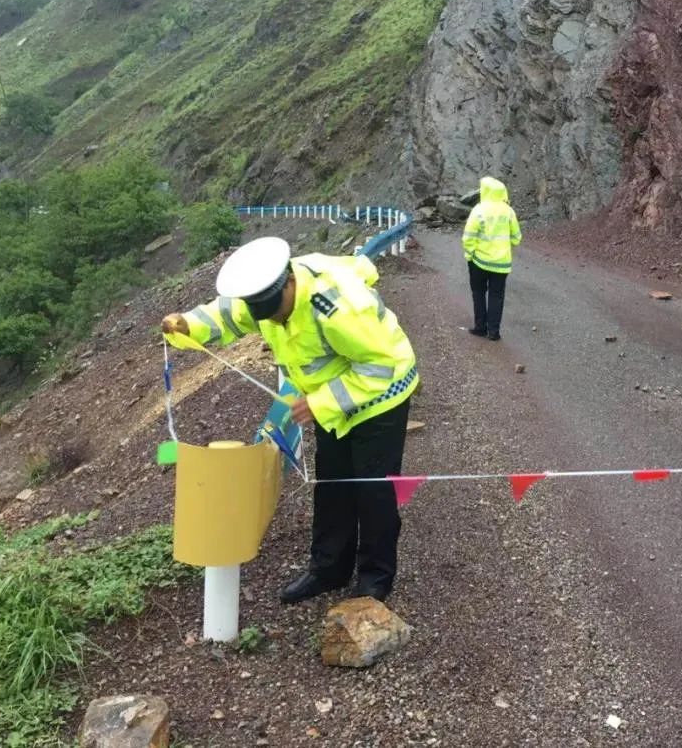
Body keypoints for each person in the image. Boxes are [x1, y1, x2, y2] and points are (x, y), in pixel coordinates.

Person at [161, 237, 418, 604]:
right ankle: (329, 569)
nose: (275, 321)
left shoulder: (338, 306)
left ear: (290, 282)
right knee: (332, 483)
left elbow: (378, 366)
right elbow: (226, 314)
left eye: (278, 312)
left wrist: (321, 403)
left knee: (373, 489)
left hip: (381, 396)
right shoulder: (266, 294)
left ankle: (375, 579)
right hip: (330, 400)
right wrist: (187, 325)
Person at [462, 176, 522, 341]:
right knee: (497, 296)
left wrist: (469, 254)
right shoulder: (508, 211)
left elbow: (468, 236)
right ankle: (493, 332)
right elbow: (517, 238)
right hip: (501, 264)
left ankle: (480, 327)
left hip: (478, 262)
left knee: (479, 293)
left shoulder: (479, 210)